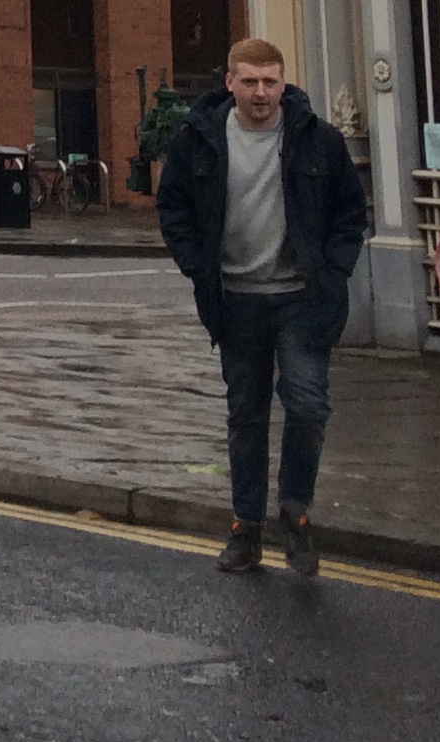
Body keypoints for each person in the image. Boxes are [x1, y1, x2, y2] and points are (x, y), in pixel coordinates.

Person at [155, 33, 368, 577]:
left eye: (270, 82)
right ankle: (246, 528)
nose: (260, 93)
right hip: (236, 301)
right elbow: (173, 207)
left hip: (302, 298)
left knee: (308, 405)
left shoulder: (318, 139)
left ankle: (295, 513)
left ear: (283, 83)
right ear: (229, 82)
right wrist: (197, 265)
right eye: (249, 81)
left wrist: (336, 271)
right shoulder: (197, 140)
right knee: (246, 416)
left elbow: (350, 211)